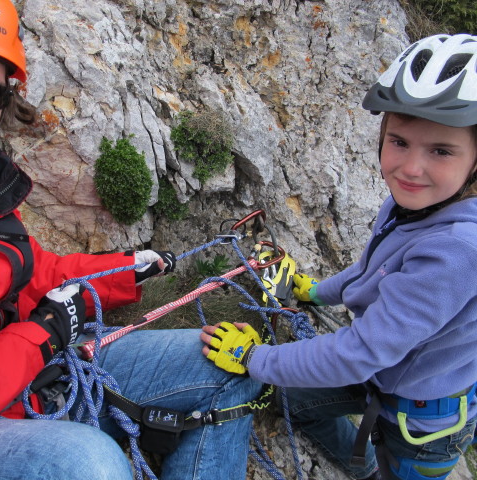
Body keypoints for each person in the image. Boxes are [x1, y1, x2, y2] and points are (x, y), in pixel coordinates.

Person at [0, 1, 260, 479]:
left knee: (228, 365)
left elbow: (32, 273)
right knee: (86, 465)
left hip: (30, 385)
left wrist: (125, 271)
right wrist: (41, 336)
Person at [201, 33, 477, 480]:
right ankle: (365, 469)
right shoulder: (413, 205)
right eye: (400, 141)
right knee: (291, 401)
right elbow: (374, 269)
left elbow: (359, 352)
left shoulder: (458, 250)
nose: (410, 167)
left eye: (441, 151)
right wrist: (317, 291)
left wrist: (255, 358)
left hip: (422, 425)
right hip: (385, 372)